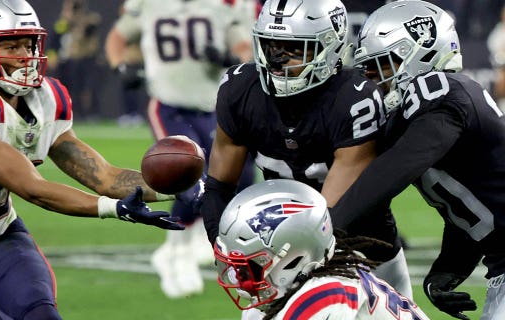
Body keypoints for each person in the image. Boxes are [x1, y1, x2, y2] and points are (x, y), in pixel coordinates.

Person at [0, 1, 182, 319]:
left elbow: (103, 176)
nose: (25, 54)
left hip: (1, 238)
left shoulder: (43, 96)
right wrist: (113, 209)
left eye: (29, 43)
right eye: (10, 44)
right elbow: (34, 189)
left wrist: (179, 188)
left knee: (41, 315)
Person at [198, 0, 413, 305]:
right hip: (276, 245)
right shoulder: (240, 90)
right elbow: (219, 186)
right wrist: (224, 246)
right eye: (271, 45)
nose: (277, 60)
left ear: (330, 46)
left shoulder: (353, 99)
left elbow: (331, 217)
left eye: (293, 48)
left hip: (360, 244)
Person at [330, 1, 505, 319]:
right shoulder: (425, 116)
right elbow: (474, 207)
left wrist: (326, 228)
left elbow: (395, 169)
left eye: (381, 66)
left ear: (421, 55)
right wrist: (448, 269)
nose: (371, 79)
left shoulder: (442, 90)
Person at [105, 0, 256, 299]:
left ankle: (196, 237)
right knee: (186, 173)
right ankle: (175, 248)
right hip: (169, 103)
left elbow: (244, 47)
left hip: (213, 105)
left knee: (234, 174)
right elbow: (118, 37)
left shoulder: (220, 6)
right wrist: (120, 66)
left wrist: (229, 56)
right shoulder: (150, 5)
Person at [214, 179, 430, 320]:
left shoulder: (324, 295)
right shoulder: (307, 283)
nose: (237, 278)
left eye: (250, 265)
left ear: (292, 259)